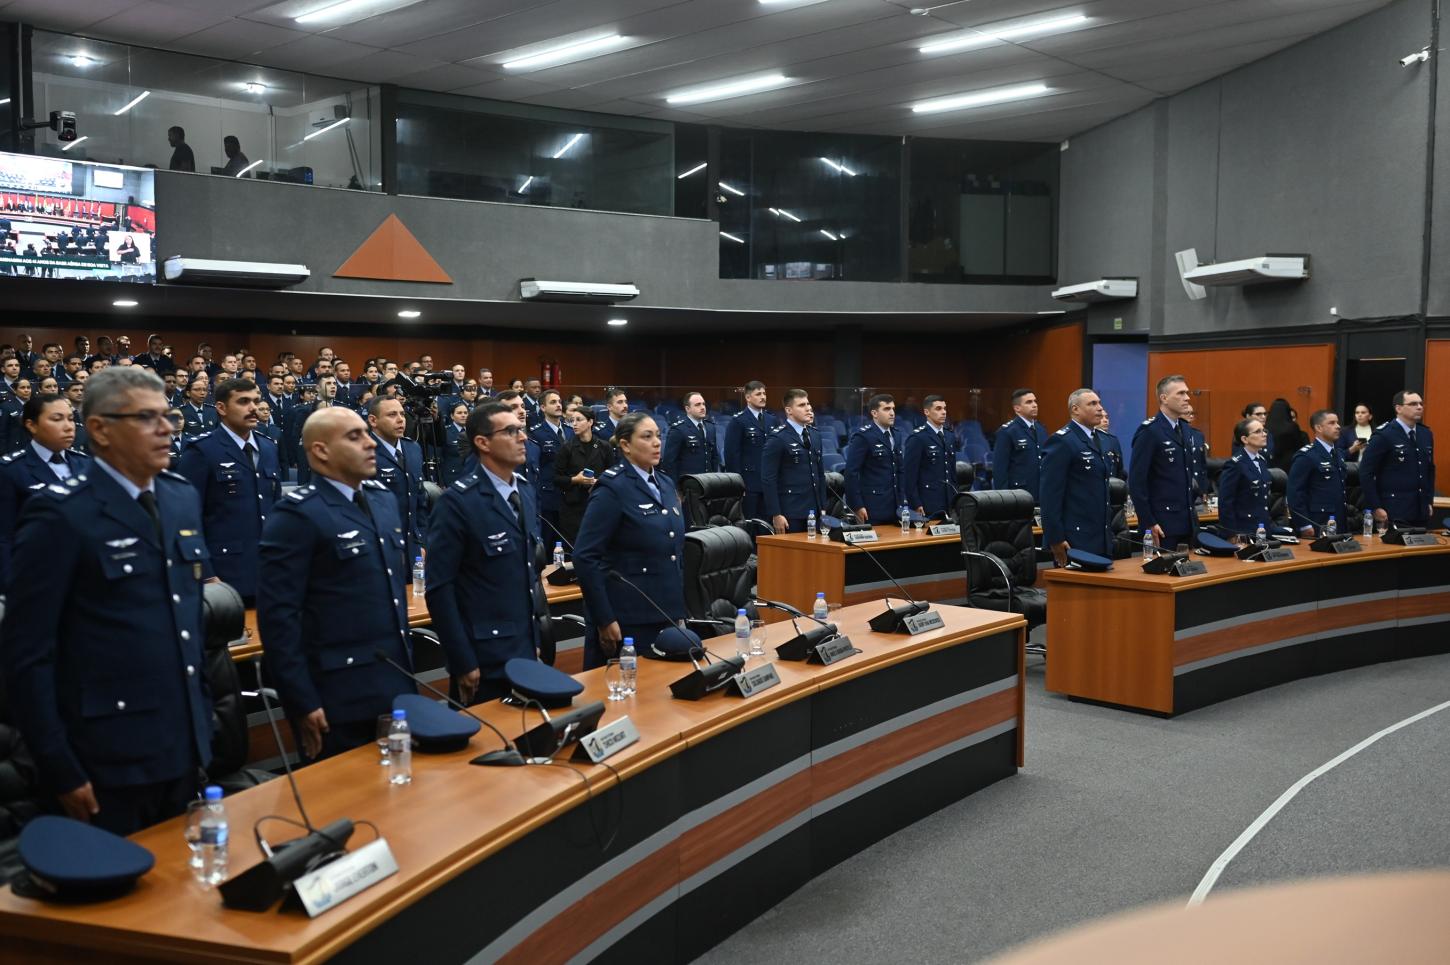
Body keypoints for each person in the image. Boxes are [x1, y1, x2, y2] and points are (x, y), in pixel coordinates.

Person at [1, 367, 212, 835]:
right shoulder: (61, 512)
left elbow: (185, 625)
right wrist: (59, 766)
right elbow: (26, 654)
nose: (166, 430)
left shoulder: (180, 497)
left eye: (168, 417)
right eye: (146, 418)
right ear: (99, 428)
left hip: (183, 743)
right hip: (103, 755)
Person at [257, 408, 413, 761]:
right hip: (335, 692)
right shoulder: (297, 514)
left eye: (366, 433)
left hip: (394, 678)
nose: (371, 443)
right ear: (321, 451)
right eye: (354, 436)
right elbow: (279, 619)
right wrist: (301, 701)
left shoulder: (382, 499)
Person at [427, 403, 549, 700]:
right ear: (482, 443)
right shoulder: (457, 502)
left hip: (523, 648)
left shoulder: (525, 493)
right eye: (510, 431)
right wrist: (462, 659)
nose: (522, 438)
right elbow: (440, 589)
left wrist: (531, 639)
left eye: (521, 430)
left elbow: (524, 575)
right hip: (482, 655)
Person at [573, 411, 686, 669]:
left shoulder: (666, 484)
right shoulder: (613, 488)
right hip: (627, 616)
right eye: (647, 437)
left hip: (666, 610)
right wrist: (604, 618)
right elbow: (585, 557)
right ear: (625, 445)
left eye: (658, 436)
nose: (657, 442)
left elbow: (674, 549)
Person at [178, 378, 281, 605]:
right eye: (244, 401)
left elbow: (274, 510)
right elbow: (185, 520)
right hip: (223, 573)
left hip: (269, 574)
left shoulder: (268, 447)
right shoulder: (202, 450)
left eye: (256, 401)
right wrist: (204, 573)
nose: (253, 408)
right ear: (221, 408)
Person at [0, 393, 91, 586]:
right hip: (37, 576)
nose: (68, 426)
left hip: (86, 577)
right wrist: (10, 585)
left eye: (71, 418)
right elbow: (4, 536)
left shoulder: (85, 465)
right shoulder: (10, 470)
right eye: (57, 419)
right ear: (31, 425)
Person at [1040, 388, 1113, 564]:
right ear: (1075, 410)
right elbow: (1050, 496)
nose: (1100, 408)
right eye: (1092, 404)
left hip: (1101, 535)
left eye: (1100, 403)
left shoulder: (1102, 439)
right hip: (1075, 538)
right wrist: (1055, 538)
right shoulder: (1062, 441)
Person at [1129, 374, 1199, 550]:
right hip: (1162, 524)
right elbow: (1137, 482)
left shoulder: (1185, 428)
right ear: (1164, 398)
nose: (1187, 398)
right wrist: (1148, 522)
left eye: (1187, 393)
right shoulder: (1150, 431)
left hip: (1187, 520)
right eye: (1181, 393)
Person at [1359, 390, 1435, 528]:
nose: (1419, 407)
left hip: (1420, 510)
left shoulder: (1426, 433)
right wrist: (1375, 507)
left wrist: (1429, 501)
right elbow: (1366, 472)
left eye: (1421, 403)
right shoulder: (1385, 435)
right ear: (1398, 408)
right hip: (1393, 509)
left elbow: (1429, 470)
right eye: (1413, 404)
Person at [367, 396, 428, 561]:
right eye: (392, 415)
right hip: (381, 548)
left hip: (412, 546)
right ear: (373, 420)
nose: (401, 420)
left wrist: (421, 542)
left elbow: (420, 502)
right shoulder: (364, 452)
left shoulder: (413, 448)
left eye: (402, 414)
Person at [761, 388, 826, 534]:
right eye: (802, 405)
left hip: (814, 511)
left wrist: (822, 508)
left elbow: (820, 474)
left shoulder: (815, 435)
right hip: (790, 511)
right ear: (789, 410)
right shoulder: (778, 438)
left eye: (808, 404)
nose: (808, 408)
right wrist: (776, 514)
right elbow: (768, 479)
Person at [555, 404, 614, 547]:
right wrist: (576, 479)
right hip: (573, 507)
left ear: (590, 422)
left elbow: (613, 475)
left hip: (597, 503)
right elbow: (557, 478)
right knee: (573, 547)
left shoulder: (604, 447)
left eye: (579, 420)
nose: (574, 424)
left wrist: (597, 481)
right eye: (572, 420)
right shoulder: (567, 447)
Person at [844, 393, 904, 524]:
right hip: (873, 506)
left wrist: (903, 500)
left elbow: (899, 470)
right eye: (887, 409)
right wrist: (857, 505)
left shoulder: (897, 435)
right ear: (874, 413)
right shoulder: (863, 437)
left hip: (896, 506)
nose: (892, 413)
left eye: (893, 408)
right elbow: (851, 473)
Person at [1286, 409, 1348, 534]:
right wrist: (1304, 524)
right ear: (1319, 428)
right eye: (1332, 423)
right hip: (1317, 522)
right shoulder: (1307, 456)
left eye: (1337, 422)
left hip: (1339, 519)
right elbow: (1294, 493)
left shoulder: (1338, 454)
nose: (1338, 426)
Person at [725, 380, 775, 520]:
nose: (763, 397)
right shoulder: (738, 421)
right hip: (749, 483)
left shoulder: (772, 420)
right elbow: (732, 455)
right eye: (758, 394)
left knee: (768, 525)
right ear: (747, 397)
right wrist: (738, 485)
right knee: (750, 523)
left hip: (769, 483)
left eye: (764, 393)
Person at [901, 395, 958, 517]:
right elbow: (909, 476)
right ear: (927, 412)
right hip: (928, 502)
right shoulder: (918, 438)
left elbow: (952, 472)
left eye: (944, 408)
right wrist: (915, 503)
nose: (943, 412)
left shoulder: (950, 436)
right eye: (938, 409)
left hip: (949, 501)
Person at [1217, 418, 1275, 537]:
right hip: (1243, 529)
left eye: (1264, 431)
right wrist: (1231, 534)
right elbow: (1225, 502)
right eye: (1258, 432)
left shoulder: (1262, 461)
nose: (1264, 434)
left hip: (1262, 527)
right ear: (1245, 439)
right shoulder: (1235, 464)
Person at [992, 388, 1048, 500]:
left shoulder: (1041, 429)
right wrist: (1004, 499)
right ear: (1017, 408)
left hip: (1041, 492)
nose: (1034, 405)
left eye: (1035, 401)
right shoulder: (1007, 431)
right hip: (1019, 494)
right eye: (1029, 402)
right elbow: (1000, 469)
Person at [531, 389, 571, 534]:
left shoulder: (570, 431)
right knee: (549, 542)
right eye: (553, 402)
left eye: (559, 402)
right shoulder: (536, 433)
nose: (558, 405)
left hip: (571, 495)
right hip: (549, 495)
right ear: (543, 408)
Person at [661, 390, 720, 485]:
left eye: (703, 404)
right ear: (687, 409)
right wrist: (675, 488)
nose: (702, 407)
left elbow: (714, 457)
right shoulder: (678, 430)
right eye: (697, 405)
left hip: (709, 483)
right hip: (688, 484)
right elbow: (670, 463)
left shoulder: (710, 427)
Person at [1265, 398, 1306, 472]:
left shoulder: (1265, 426)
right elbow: (1298, 445)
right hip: (1289, 463)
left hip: (1269, 461)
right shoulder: (1292, 426)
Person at [439, 401, 472, 485]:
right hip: (451, 478)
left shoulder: (473, 432)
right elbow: (439, 458)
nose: (463, 415)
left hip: (470, 477)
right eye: (459, 413)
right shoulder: (445, 432)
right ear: (452, 416)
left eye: (465, 413)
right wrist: (441, 482)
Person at [1098, 412, 1126, 481]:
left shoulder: (1113, 440)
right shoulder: (1090, 438)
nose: (1105, 420)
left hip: (1114, 485)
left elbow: (1119, 468)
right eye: (1101, 417)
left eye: (1107, 417)